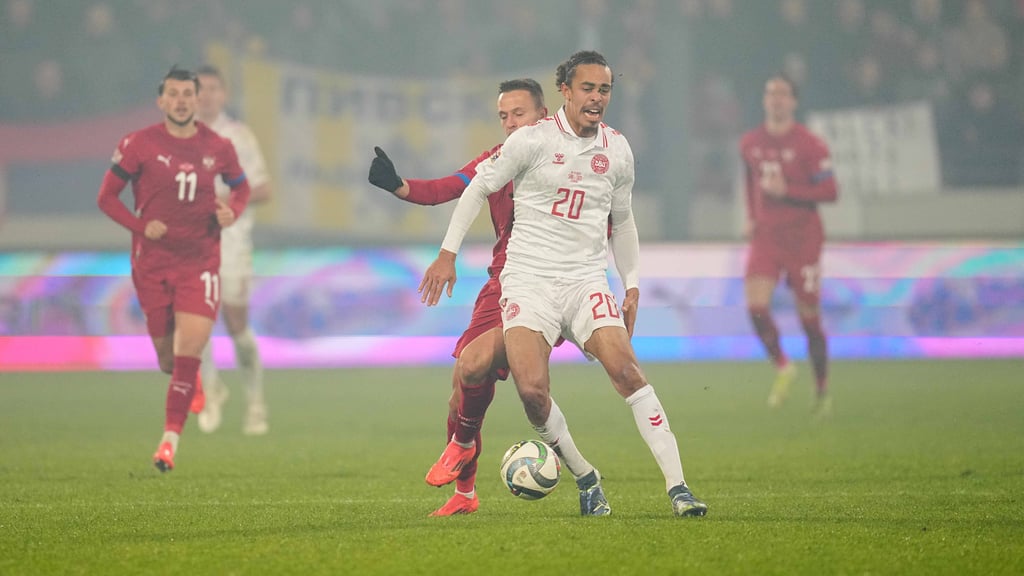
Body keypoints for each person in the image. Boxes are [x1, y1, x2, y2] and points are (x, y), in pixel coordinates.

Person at [419, 51, 708, 517]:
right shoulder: (530, 142)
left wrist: (631, 285)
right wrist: (448, 254)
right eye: (588, 89)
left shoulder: (618, 150)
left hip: (585, 279)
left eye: (605, 90)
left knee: (627, 371)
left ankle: (679, 489)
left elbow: (625, 220)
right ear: (567, 92)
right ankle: (586, 477)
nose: (597, 98)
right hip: (529, 282)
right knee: (532, 391)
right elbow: (475, 188)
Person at [368, 78, 610, 517]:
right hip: (499, 281)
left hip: (544, 283)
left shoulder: (571, 158)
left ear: (542, 114)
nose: (510, 123)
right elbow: (448, 188)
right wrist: (397, 185)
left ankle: (464, 445)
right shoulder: (498, 160)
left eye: (518, 114)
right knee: (459, 388)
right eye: (503, 116)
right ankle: (464, 495)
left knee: (477, 364)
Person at [97, 67, 251, 472]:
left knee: (189, 350)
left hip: (200, 261)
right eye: (174, 94)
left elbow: (242, 187)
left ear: (198, 101)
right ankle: (191, 381)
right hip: (152, 264)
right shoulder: (138, 144)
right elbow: (107, 198)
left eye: (188, 93)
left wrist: (230, 212)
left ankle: (168, 443)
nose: (182, 100)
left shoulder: (218, 146)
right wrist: (140, 225)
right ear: (161, 101)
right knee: (169, 359)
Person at [737, 74, 838, 415]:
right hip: (767, 236)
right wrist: (752, 216)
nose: (776, 99)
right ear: (765, 101)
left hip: (803, 238)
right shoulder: (750, 143)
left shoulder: (811, 145)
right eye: (770, 93)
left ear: (794, 102)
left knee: (809, 320)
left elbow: (830, 192)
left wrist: (788, 193)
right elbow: (750, 180)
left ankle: (822, 387)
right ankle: (783, 365)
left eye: (782, 94)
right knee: (755, 307)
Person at [193, 64, 272, 436]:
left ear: (223, 94)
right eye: (200, 89)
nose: (206, 95)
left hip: (232, 241)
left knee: (236, 325)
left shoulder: (239, 136)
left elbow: (264, 189)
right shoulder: (180, 137)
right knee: (197, 320)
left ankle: (255, 402)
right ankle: (211, 392)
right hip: (191, 242)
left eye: (213, 88)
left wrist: (226, 195)